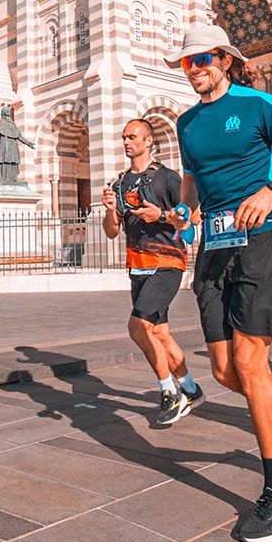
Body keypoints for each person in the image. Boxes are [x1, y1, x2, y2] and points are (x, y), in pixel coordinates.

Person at [168, 25, 272, 542]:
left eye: (205, 58)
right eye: (189, 61)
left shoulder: (260, 105)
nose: (196, 68)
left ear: (226, 60)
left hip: (261, 238)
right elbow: (192, 179)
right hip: (212, 247)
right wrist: (182, 209)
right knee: (221, 370)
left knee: (250, 362)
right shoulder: (186, 122)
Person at [100, 118, 202, 426]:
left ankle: (169, 392)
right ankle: (191, 388)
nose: (127, 141)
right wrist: (109, 211)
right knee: (159, 332)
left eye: (133, 136)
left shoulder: (167, 178)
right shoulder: (120, 184)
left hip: (167, 261)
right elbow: (111, 232)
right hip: (138, 265)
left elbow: (193, 218)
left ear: (149, 142)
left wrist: (162, 215)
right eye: (124, 137)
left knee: (137, 328)